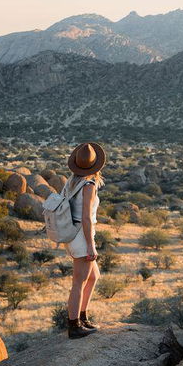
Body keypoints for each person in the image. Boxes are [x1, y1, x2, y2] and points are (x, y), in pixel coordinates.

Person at [63, 141, 105, 338]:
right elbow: (87, 217)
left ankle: (82, 317)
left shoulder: (71, 182)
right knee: (79, 282)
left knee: (93, 276)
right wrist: (90, 246)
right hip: (82, 234)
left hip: (73, 233)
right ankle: (74, 325)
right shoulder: (88, 185)